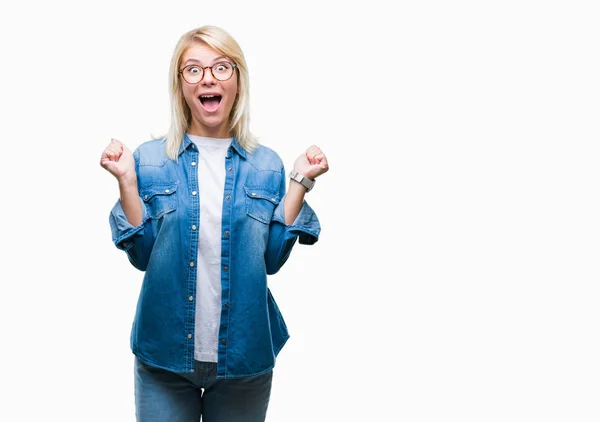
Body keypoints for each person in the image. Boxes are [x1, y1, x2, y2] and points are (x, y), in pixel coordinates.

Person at [99, 25, 329, 422]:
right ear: (181, 85)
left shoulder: (266, 164)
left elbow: (271, 259)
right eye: (194, 69)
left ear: (238, 81)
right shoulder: (150, 160)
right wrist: (127, 182)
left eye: (222, 67)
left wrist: (299, 182)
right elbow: (141, 255)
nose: (208, 78)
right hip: (164, 356)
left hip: (244, 358)